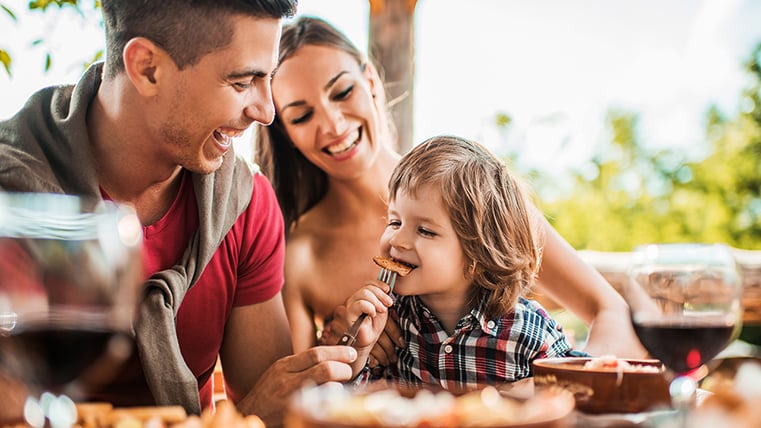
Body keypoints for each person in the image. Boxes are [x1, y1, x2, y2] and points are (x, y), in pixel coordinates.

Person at [0, 2, 361, 427]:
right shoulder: (12, 200)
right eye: (243, 82)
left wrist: (342, 357)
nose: (266, 112)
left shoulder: (246, 206)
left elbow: (269, 410)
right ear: (147, 68)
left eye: (269, 79)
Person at [254, 15, 647, 363]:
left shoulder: (471, 194)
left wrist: (565, 390)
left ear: (370, 79)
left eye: (342, 92)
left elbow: (609, 309)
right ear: (285, 132)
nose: (334, 124)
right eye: (302, 115)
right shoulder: (300, 253)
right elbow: (293, 397)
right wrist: (340, 344)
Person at [333, 135, 585, 386]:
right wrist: (359, 353)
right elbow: (349, 408)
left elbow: (580, 391)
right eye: (395, 221)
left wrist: (537, 394)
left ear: (479, 254)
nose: (398, 239)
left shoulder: (527, 330)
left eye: (425, 230)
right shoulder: (389, 322)